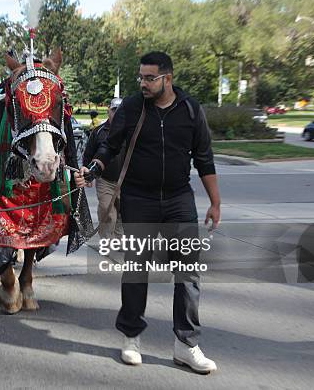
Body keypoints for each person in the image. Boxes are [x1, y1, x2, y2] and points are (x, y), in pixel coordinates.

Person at [75, 52, 221, 374]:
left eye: (149, 78)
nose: (143, 83)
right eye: (140, 77)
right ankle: (131, 337)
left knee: (188, 272)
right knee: (136, 269)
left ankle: (186, 345)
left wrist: (215, 202)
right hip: (139, 199)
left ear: (167, 78)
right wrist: (95, 167)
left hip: (179, 200)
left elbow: (205, 159)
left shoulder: (190, 110)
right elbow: (110, 146)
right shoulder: (132, 106)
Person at [82, 97, 124, 241]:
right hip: (105, 180)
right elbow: (88, 154)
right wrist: (89, 176)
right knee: (107, 211)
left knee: (123, 213)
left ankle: (119, 240)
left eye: (120, 111)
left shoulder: (131, 132)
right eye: (114, 110)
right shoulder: (98, 131)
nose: (117, 113)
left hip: (127, 180)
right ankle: (106, 239)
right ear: (108, 111)